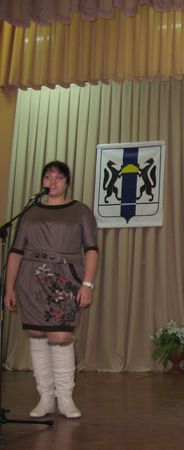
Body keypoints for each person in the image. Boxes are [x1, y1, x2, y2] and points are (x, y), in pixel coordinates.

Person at [2, 161, 98, 419]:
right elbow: (16, 251)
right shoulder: (30, 211)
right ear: (42, 181)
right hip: (31, 281)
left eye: (59, 177)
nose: (52, 182)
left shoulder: (80, 211)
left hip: (65, 280)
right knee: (36, 335)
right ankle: (45, 398)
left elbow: (91, 250)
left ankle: (65, 398)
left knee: (60, 337)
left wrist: (87, 284)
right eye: (48, 177)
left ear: (67, 182)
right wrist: (9, 287)